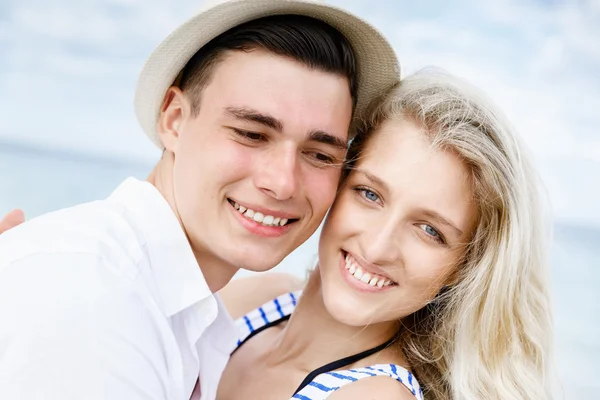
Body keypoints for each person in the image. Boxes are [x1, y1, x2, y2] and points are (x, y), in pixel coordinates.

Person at [0, 1, 399, 399]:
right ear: (174, 119)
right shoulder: (94, 298)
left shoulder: (190, 315)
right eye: (251, 134)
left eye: (320, 155)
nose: (282, 183)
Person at [214, 71, 555, 399]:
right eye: (370, 194)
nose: (377, 249)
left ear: (463, 268)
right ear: (336, 181)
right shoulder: (255, 299)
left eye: (429, 231)